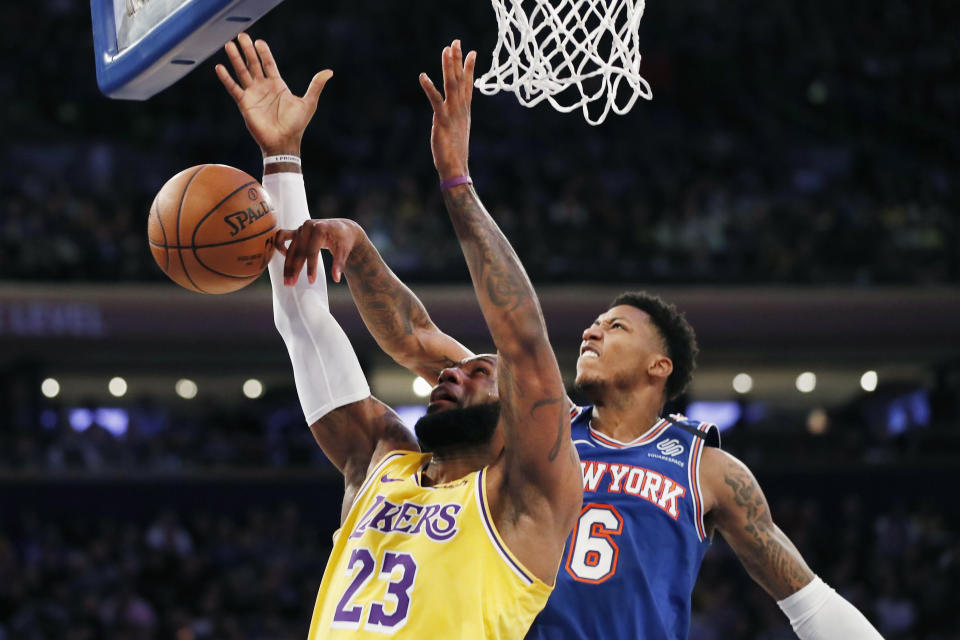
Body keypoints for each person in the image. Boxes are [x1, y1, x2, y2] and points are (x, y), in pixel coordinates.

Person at [262, 51, 884, 640]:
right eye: (594, 322)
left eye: (616, 328)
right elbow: (417, 337)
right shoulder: (529, 427)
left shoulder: (701, 467)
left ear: (658, 366)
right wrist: (359, 250)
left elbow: (804, 595)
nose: (591, 331)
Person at [216, 34, 582, 639]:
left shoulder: (525, 498)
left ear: (519, 414)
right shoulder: (380, 458)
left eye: (477, 372)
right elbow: (304, 327)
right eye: (459, 367)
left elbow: (522, 339)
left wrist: (456, 180)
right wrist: (282, 160)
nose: (451, 370)